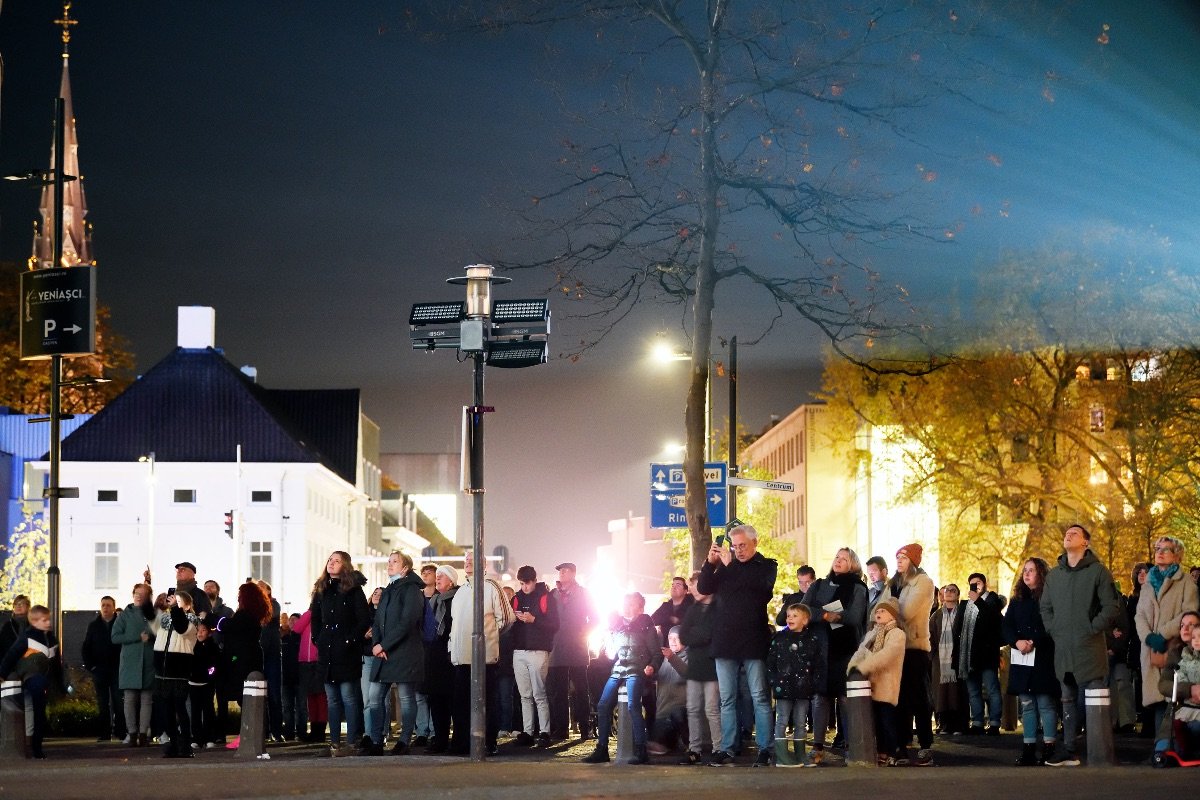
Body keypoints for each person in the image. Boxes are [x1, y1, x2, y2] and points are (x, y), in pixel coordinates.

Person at [697, 523, 778, 767]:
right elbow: (703, 588)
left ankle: (765, 748)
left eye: (743, 545)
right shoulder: (725, 568)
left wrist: (729, 565)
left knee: (760, 696)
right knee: (727, 699)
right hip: (725, 641)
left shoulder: (766, 566)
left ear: (756, 542)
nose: (739, 550)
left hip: (753, 640)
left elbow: (759, 589)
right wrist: (710, 563)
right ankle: (728, 748)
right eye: (735, 546)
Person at [1040, 523, 1120, 766]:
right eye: (1067, 533)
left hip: (1090, 648)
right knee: (1067, 699)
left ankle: (1099, 749)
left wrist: (1091, 627)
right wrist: (1054, 629)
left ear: (1086, 542)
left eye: (1075, 533)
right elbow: (1046, 607)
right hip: (1064, 648)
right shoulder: (1055, 575)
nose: (1068, 535)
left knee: (1093, 697)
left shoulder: (1098, 572)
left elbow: (1111, 606)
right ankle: (1068, 749)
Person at [800, 547, 868, 764]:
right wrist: (826, 614)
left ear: (853, 564)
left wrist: (822, 613)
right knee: (820, 698)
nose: (838, 561)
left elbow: (855, 617)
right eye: (837, 557)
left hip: (846, 649)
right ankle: (818, 746)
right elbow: (804, 610)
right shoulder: (819, 584)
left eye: (844, 559)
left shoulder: (858, 587)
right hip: (820, 649)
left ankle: (850, 746)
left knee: (845, 699)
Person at [581, 592, 662, 765]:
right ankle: (602, 748)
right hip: (619, 668)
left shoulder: (646, 626)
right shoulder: (617, 626)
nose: (626, 607)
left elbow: (656, 652)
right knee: (603, 705)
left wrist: (652, 666)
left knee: (633, 705)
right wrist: (608, 637)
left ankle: (641, 750)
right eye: (625, 603)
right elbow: (611, 655)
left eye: (631, 604)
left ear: (640, 608)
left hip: (636, 668)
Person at [1136, 534, 1199, 756]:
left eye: (1166, 549)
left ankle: (1169, 745)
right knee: (1157, 697)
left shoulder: (1186, 582)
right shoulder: (1148, 582)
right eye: (1157, 548)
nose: (1159, 552)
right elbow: (1139, 615)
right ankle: (1161, 745)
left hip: (1174, 645)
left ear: (1177, 555)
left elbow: (1188, 611)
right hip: (1151, 648)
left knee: (1172, 694)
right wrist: (1148, 637)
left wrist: (1162, 634)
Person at [448, 552, 513, 756]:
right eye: (465, 560)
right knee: (461, 704)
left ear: (483, 565)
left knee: (487, 702)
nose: (467, 562)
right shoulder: (461, 592)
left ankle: (488, 742)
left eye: (472, 559)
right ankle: (461, 743)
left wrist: (488, 637)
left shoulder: (492, 586)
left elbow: (507, 618)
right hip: (461, 658)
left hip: (484, 658)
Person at [310, 551, 370, 757]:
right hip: (327, 650)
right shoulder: (321, 589)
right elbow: (315, 617)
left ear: (345, 566)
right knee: (332, 699)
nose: (332, 564)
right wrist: (317, 638)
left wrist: (350, 639)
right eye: (330, 560)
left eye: (337, 561)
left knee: (349, 697)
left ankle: (352, 741)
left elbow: (363, 619)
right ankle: (334, 742)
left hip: (346, 650)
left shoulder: (353, 590)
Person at [1003, 557, 1061, 766]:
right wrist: (1016, 641)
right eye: (1025, 570)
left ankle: (1049, 746)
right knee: (1027, 705)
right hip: (1022, 658)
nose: (1026, 574)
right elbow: (1007, 625)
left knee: (1045, 703)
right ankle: (1028, 747)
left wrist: (1034, 640)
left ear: (1041, 574)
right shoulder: (1017, 600)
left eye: (1032, 570)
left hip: (1043, 657)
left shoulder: (1049, 597)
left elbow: (1052, 624)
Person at [370, 550, 426, 755]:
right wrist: (377, 644)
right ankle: (376, 741)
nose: (389, 565)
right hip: (383, 653)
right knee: (374, 698)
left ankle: (404, 741)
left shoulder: (411, 590)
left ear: (405, 568)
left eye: (395, 562)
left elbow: (407, 623)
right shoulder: (388, 590)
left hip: (404, 653)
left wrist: (383, 646)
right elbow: (377, 621)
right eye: (389, 561)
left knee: (405, 698)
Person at [889, 542, 936, 766]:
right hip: (895, 648)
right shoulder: (894, 583)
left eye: (904, 557)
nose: (899, 561)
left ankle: (926, 745)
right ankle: (901, 746)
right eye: (897, 557)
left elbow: (906, 612)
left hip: (915, 647)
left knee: (919, 699)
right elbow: (876, 612)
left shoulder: (923, 582)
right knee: (899, 700)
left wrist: (888, 610)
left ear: (914, 561)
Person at [847, 597, 907, 767]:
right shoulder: (872, 633)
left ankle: (895, 750)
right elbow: (861, 652)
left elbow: (886, 656)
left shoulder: (897, 634)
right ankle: (881, 751)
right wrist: (852, 667)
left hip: (887, 683)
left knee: (888, 719)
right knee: (876, 721)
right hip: (870, 684)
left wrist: (863, 668)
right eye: (878, 610)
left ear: (893, 616)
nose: (879, 613)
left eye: (884, 611)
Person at [767, 603, 826, 767]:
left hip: (804, 688)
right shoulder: (779, 639)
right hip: (783, 687)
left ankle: (800, 754)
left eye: (795, 616)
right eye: (788, 615)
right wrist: (773, 680)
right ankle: (781, 755)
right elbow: (770, 662)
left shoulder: (812, 640)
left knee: (801, 722)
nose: (790, 618)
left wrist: (815, 683)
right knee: (782, 720)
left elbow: (818, 664)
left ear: (805, 620)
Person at [0, 604, 61, 759]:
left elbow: (56, 665)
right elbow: (11, 655)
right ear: (34, 622)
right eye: (44, 620)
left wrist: (59, 684)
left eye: (48, 619)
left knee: (37, 713)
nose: (48, 622)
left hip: (41, 680)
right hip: (32, 679)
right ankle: (35, 748)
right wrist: (2, 674)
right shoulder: (28, 638)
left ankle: (33, 746)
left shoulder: (51, 639)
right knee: (37, 712)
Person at [217, 582, 272, 748]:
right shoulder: (254, 614)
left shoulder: (244, 615)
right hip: (250, 657)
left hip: (242, 659)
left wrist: (217, 621)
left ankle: (248, 734)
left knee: (246, 696)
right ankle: (258, 732)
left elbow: (227, 626)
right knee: (252, 696)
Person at [510, 564, 559, 747]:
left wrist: (534, 620)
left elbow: (555, 625)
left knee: (539, 694)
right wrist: (514, 620)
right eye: (522, 583)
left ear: (534, 581)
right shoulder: (516, 598)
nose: (524, 587)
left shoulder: (546, 597)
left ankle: (544, 731)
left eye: (527, 583)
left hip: (539, 650)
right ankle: (528, 731)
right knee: (525, 695)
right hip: (519, 651)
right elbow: (509, 623)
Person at [547, 561, 595, 742]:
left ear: (573, 574)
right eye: (560, 571)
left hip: (577, 647)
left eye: (565, 571)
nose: (561, 574)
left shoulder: (583, 594)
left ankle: (585, 727)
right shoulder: (553, 594)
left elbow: (596, 617)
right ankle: (560, 730)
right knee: (558, 691)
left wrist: (583, 632)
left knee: (581, 689)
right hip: (557, 647)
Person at [960, 572, 1006, 735]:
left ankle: (994, 723)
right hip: (970, 655)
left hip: (987, 653)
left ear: (985, 584)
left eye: (978, 583)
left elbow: (991, 618)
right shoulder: (966, 604)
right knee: (973, 690)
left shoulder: (992, 600)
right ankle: (977, 722)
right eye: (972, 584)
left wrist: (977, 600)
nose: (976, 586)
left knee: (992, 688)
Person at [1151, 610, 1200, 764]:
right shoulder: (1176, 652)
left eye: (1190, 625)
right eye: (1182, 625)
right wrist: (1189, 689)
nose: (1185, 629)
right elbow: (1164, 685)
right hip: (1178, 711)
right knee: (1162, 752)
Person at [110, 582, 156, 747]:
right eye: (136, 592)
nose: (138, 595)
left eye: (142, 593)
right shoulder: (124, 615)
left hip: (149, 663)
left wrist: (151, 638)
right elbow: (115, 637)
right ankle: (132, 733)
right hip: (130, 662)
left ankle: (143, 734)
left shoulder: (154, 615)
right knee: (129, 699)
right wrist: (137, 638)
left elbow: (161, 635)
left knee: (146, 699)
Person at [157, 590, 199, 757]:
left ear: (188, 605)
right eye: (174, 599)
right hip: (163, 670)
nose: (174, 601)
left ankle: (185, 746)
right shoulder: (165, 620)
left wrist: (175, 608)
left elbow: (181, 628)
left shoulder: (191, 620)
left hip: (179, 670)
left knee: (180, 708)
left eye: (179, 600)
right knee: (166, 709)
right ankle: (173, 744)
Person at [423, 565, 458, 753]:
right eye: (437, 576)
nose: (437, 579)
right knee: (436, 700)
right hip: (434, 655)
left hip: (451, 655)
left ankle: (457, 739)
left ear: (451, 581)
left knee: (452, 700)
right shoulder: (433, 600)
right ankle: (440, 739)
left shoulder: (457, 598)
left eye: (441, 576)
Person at [81, 595, 125, 742]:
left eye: (108, 605)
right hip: (99, 670)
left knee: (119, 701)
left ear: (114, 607)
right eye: (103, 605)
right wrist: (91, 667)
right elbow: (86, 647)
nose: (105, 608)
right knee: (102, 702)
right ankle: (105, 733)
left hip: (117, 669)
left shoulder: (119, 625)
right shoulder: (93, 626)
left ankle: (121, 731)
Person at [929, 584, 967, 736]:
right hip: (940, 661)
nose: (949, 593)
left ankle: (960, 725)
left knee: (959, 693)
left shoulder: (963, 614)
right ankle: (945, 725)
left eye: (953, 591)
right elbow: (930, 637)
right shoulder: (936, 616)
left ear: (958, 595)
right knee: (942, 694)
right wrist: (932, 658)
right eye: (947, 591)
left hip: (959, 660)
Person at [647, 626, 689, 756]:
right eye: (670, 638)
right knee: (654, 745)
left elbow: (688, 673)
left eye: (677, 638)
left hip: (682, 712)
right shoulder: (665, 658)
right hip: (663, 712)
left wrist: (672, 658)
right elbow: (660, 676)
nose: (673, 641)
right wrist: (650, 672)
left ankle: (689, 744)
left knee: (677, 714)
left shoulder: (691, 656)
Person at [291, 608, 327, 744]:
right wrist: (311, 611)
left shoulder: (324, 613)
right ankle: (314, 730)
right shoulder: (309, 614)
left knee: (321, 696)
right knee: (311, 696)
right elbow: (297, 628)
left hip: (318, 660)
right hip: (305, 661)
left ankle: (320, 731)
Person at [413, 563, 438, 746]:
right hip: (418, 649)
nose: (425, 575)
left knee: (433, 693)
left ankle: (434, 730)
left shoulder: (441, 598)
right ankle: (422, 731)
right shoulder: (417, 597)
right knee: (419, 694)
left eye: (429, 572)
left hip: (435, 650)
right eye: (423, 572)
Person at [257, 580, 285, 744]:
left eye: (262, 587)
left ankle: (276, 731)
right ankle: (263, 731)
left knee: (274, 694)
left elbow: (267, 618)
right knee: (259, 694)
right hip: (258, 654)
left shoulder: (274, 604)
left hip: (272, 653)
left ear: (268, 590)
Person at [189, 620, 221, 749]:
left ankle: (209, 737)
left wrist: (210, 674)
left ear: (208, 633)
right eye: (199, 630)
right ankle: (197, 738)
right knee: (195, 711)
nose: (200, 633)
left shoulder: (212, 646)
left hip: (207, 683)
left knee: (208, 710)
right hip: (193, 682)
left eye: (203, 630)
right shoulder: (192, 645)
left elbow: (215, 663)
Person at [280, 613, 306, 741]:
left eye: (295, 620)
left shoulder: (301, 638)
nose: (292, 622)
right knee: (287, 707)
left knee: (301, 706)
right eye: (290, 620)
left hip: (300, 677)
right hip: (286, 677)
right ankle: (289, 733)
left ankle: (302, 732)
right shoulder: (283, 638)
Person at [653, 576, 695, 644]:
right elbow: (653, 620)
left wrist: (678, 621)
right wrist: (670, 618)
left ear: (685, 591)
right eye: (673, 585)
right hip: (665, 644)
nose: (674, 587)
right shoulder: (665, 605)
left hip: (684, 645)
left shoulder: (691, 606)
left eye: (678, 585)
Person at [0, 594, 31, 661]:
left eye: (22, 604)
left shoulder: (33, 625)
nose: (18, 606)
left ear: (28, 607)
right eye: (16, 604)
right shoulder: (8, 626)